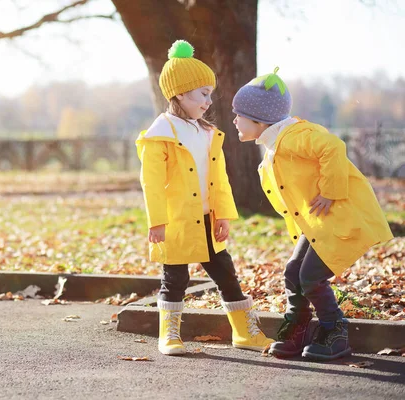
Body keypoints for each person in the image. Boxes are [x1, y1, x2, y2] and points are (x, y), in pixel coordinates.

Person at [232, 67, 394, 361]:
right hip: (320, 225)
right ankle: (298, 329)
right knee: (293, 272)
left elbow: (333, 146)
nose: (234, 120)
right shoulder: (276, 145)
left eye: (238, 114)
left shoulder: (295, 136)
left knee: (310, 276)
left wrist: (330, 190)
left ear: (259, 119)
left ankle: (335, 332)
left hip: (342, 217)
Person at [136, 40, 273, 356]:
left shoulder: (208, 133)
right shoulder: (161, 133)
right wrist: (157, 222)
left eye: (210, 94)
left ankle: (244, 332)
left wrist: (223, 214)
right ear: (180, 94)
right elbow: (151, 183)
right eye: (203, 94)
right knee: (175, 278)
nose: (209, 101)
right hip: (177, 221)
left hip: (209, 219)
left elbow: (219, 179)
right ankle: (169, 335)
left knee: (226, 274)